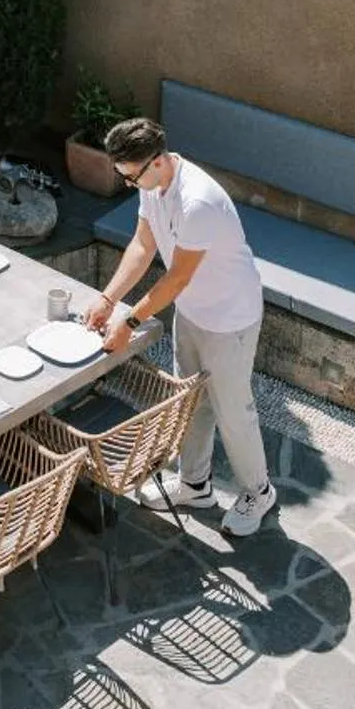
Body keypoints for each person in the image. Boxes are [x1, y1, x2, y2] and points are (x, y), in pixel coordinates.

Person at [84, 115, 277, 538]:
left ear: (156, 162)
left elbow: (176, 277)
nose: (131, 186)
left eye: (132, 178)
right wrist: (107, 298)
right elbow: (142, 245)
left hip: (230, 318)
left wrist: (129, 322)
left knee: (232, 410)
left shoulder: (199, 201)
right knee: (191, 401)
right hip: (191, 311)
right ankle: (195, 484)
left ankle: (259, 492)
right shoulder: (154, 188)